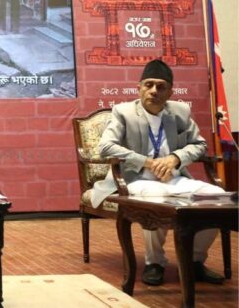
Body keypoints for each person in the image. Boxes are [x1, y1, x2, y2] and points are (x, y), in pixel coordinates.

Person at [92, 59, 225, 286]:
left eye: (161, 86)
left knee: (217, 199)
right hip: (135, 178)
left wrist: (175, 158)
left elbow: (199, 145)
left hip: (173, 178)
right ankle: (155, 263)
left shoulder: (180, 111)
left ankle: (194, 261)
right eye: (149, 85)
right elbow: (106, 146)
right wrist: (148, 163)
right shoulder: (123, 112)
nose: (154, 91)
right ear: (139, 88)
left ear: (170, 92)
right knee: (157, 200)